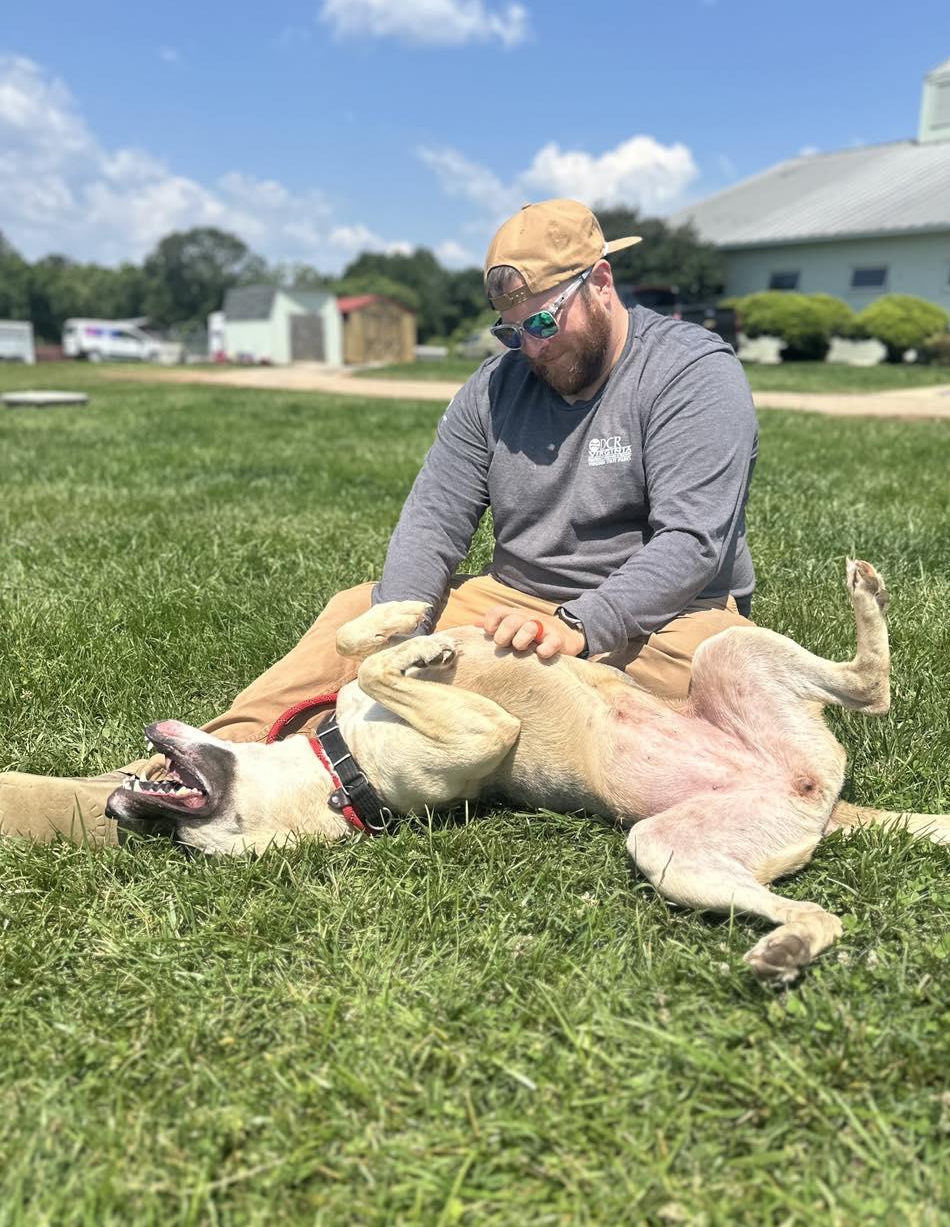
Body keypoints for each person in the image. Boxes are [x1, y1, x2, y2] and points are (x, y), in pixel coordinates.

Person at [0, 199, 758, 847]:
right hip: (515, 602)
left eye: (546, 322)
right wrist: (402, 621)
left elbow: (692, 542)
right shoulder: (493, 390)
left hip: (669, 613)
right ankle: (191, 773)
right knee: (356, 614)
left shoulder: (691, 372)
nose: (530, 345)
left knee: (703, 693)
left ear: (601, 281)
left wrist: (583, 625)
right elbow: (434, 517)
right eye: (511, 331)